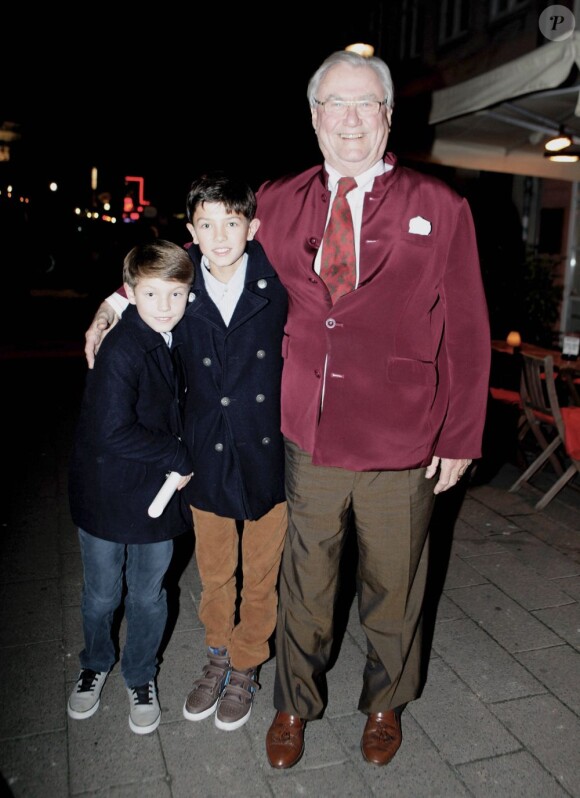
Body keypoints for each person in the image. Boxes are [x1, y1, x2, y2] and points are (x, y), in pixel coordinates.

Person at [84, 51, 491, 768]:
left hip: (403, 434)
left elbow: (466, 326)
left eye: (366, 104)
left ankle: (386, 702)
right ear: (313, 117)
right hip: (306, 432)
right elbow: (207, 243)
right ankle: (294, 704)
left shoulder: (440, 207)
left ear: (389, 114)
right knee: (306, 584)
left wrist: (460, 433)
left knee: (395, 588)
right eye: (335, 104)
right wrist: (121, 299)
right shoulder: (282, 197)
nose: (351, 120)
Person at [86, 172, 288, 732]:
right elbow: (144, 286)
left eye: (232, 222)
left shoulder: (280, 276)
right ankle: (218, 653)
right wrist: (109, 307)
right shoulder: (184, 281)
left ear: (254, 225)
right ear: (190, 233)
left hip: (266, 449)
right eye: (206, 225)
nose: (220, 236)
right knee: (216, 568)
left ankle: (247, 662)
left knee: (263, 571)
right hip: (205, 451)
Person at [68, 239, 194, 735]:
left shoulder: (173, 334)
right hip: (107, 493)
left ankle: (141, 675)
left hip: (155, 494)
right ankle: (95, 663)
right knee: (102, 594)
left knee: (149, 593)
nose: (164, 307)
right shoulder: (123, 346)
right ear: (130, 294)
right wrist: (180, 455)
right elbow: (110, 430)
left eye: (176, 295)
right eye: (150, 295)